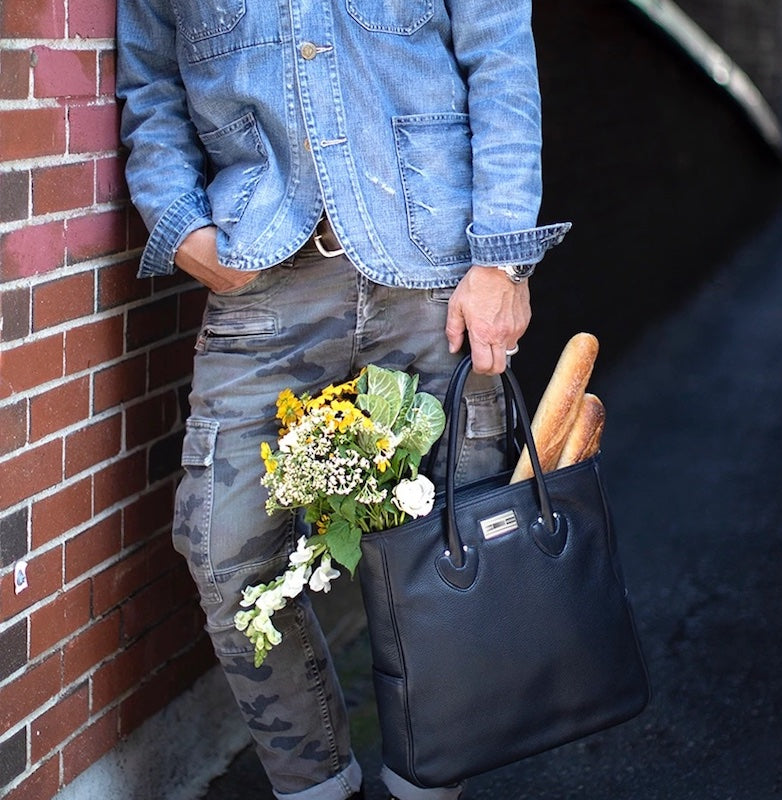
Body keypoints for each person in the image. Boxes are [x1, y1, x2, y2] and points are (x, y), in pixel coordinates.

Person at [116, 0, 569, 796]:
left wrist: (502, 258)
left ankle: (429, 784)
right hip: (262, 283)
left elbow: (499, 55)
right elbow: (149, 81)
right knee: (225, 551)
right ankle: (318, 785)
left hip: (435, 278)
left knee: (448, 548)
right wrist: (180, 223)